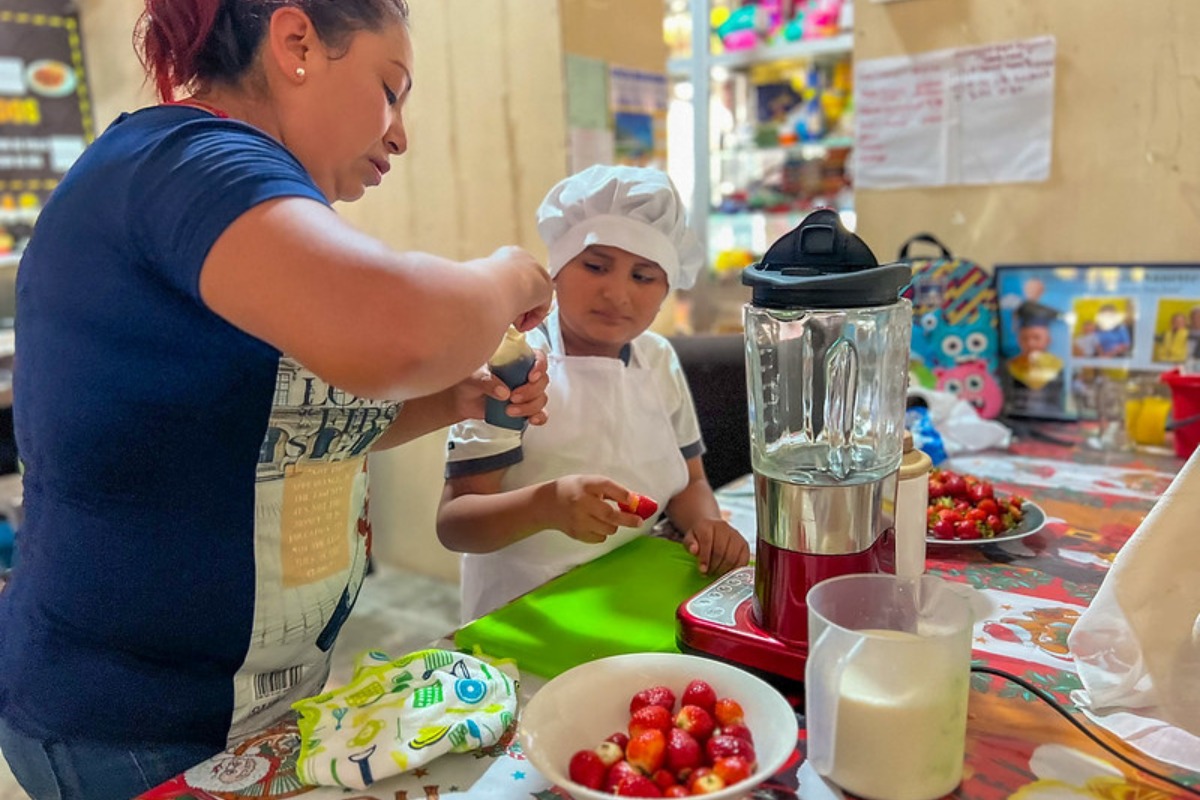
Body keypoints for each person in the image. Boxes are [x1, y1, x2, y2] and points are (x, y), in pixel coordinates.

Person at [0, 2, 554, 798]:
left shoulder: (230, 195)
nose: (400, 133)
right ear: (296, 43)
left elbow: (279, 422)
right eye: (390, 89)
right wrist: (508, 274)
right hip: (131, 719)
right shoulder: (185, 162)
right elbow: (396, 328)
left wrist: (457, 399)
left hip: (251, 699)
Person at [436, 165, 750, 623]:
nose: (617, 293)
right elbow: (456, 524)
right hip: (527, 610)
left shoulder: (656, 360)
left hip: (636, 590)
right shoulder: (514, 363)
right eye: (596, 265)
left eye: (643, 276)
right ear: (556, 269)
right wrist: (545, 506)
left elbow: (690, 483)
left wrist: (707, 524)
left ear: (667, 290)